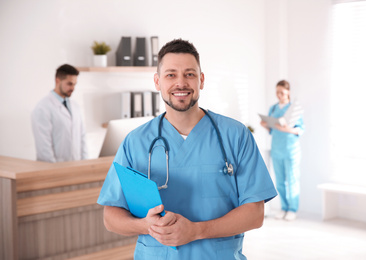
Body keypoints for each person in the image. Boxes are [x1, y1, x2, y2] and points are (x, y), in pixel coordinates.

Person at [97, 39, 277, 259]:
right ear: (157, 82)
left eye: (189, 74)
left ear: (201, 80)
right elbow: (111, 216)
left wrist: (197, 231)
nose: (180, 83)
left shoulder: (235, 135)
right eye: (171, 75)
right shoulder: (135, 142)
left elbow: (255, 214)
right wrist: (146, 226)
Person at [260, 80, 304, 221]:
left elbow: (300, 129)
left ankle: (292, 209)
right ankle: (283, 208)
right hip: (277, 149)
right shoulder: (273, 109)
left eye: (282, 93)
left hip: (291, 150)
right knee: (279, 181)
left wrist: (286, 129)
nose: (279, 95)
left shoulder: (294, 109)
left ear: (288, 92)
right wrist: (265, 125)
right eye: (277, 92)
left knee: (292, 180)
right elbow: (271, 129)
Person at [31, 64, 88, 163]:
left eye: (75, 84)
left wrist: (85, 163)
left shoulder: (75, 106)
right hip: (54, 169)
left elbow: (82, 137)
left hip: (76, 166)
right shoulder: (43, 108)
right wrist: (54, 170)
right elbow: (44, 147)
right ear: (58, 80)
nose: (73, 88)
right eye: (69, 84)